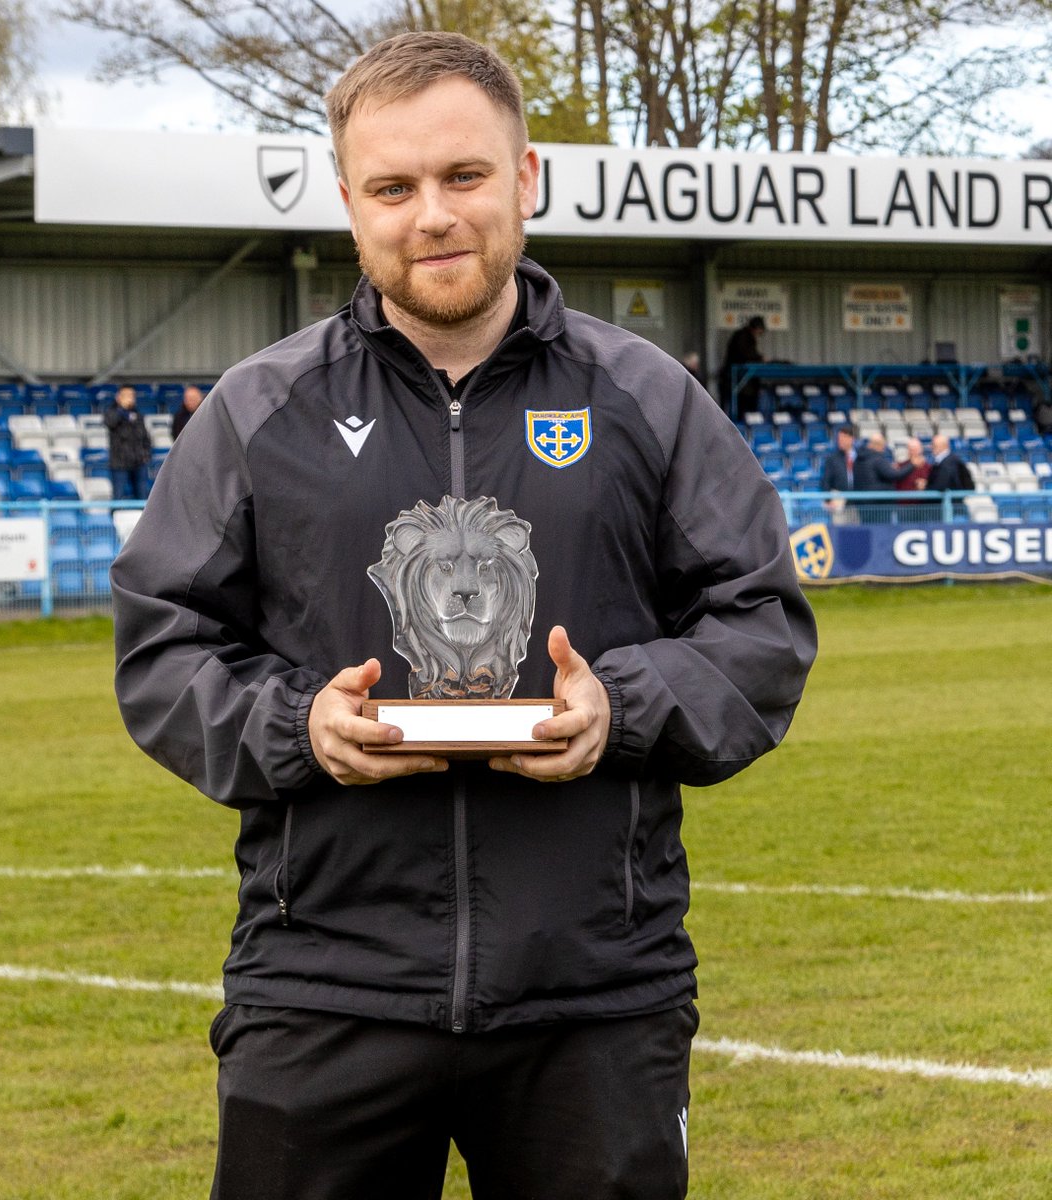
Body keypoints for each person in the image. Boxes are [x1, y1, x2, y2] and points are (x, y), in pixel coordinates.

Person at [110, 31, 817, 1200]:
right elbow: (162, 643)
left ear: (526, 177)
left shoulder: (645, 398)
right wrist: (298, 728)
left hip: (594, 992)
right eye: (393, 187)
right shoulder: (259, 409)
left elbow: (762, 628)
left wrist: (621, 707)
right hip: (324, 985)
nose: (430, 215)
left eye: (464, 176)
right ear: (350, 205)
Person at [103, 384, 152, 500]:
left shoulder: (138, 414)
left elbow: (145, 437)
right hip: (119, 464)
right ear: (118, 397)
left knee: (142, 497)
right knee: (118, 497)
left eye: (132, 395)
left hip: (139, 463)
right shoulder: (112, 412)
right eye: (126, 395)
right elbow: (110, 422)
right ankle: (115, 517)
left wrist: (146, 454)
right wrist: (122, 409)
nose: (130, 398)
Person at [718, 314, 765, 418]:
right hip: (733, 378)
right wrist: (759, 358)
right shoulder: (742, 337)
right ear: (755, 328)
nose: (759, 334)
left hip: (738, 380)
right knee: (739, 406)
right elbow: (744, 355)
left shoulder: (745, 337)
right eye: (759, 330)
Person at [927, 432, 974, 518]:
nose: (931, 447)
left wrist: (925, 488)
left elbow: (941, 485)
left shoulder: (949, 462)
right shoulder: (950, 460)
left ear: (943, 446)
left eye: (933, 444)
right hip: (950, 507)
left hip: (948, 509)